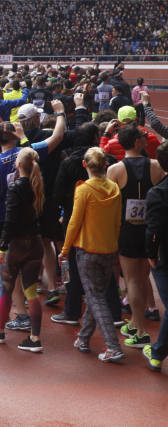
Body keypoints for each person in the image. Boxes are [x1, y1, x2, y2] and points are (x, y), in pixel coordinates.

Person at [59, 147, 125, 363]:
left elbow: (74, 222)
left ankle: (113, 347)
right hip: (108, 249)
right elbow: (117, 222)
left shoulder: (84, 189)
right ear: (105, 165)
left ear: (85, 165)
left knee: (95, 298)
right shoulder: (114, 188)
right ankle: (83, 338)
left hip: (87, 250)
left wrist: (65, 249)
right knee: (96, 295)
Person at [107, 124, 165, 349]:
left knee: (132, 281)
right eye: (143, 136)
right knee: (141, 279)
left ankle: (141, 331)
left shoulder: (115, 170)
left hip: (127, 231)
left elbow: (110, 204)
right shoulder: (156, 166)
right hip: (150, 229)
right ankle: (135, 323)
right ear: (137, 142)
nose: (146, 138)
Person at [0, 148, 45, 352]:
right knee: (31, 291)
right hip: (35, 242)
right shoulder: (38, 185)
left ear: (18, 165)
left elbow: (10, 220)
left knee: (6, 288)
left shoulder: (15, 187)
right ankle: (35, 338)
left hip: (16, 245)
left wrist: (2, 247)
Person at [144, 142, 168, 372]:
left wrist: (151, 254)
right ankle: (158, 352)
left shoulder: (158, 192)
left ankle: (158, 352)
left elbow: (153, 228)